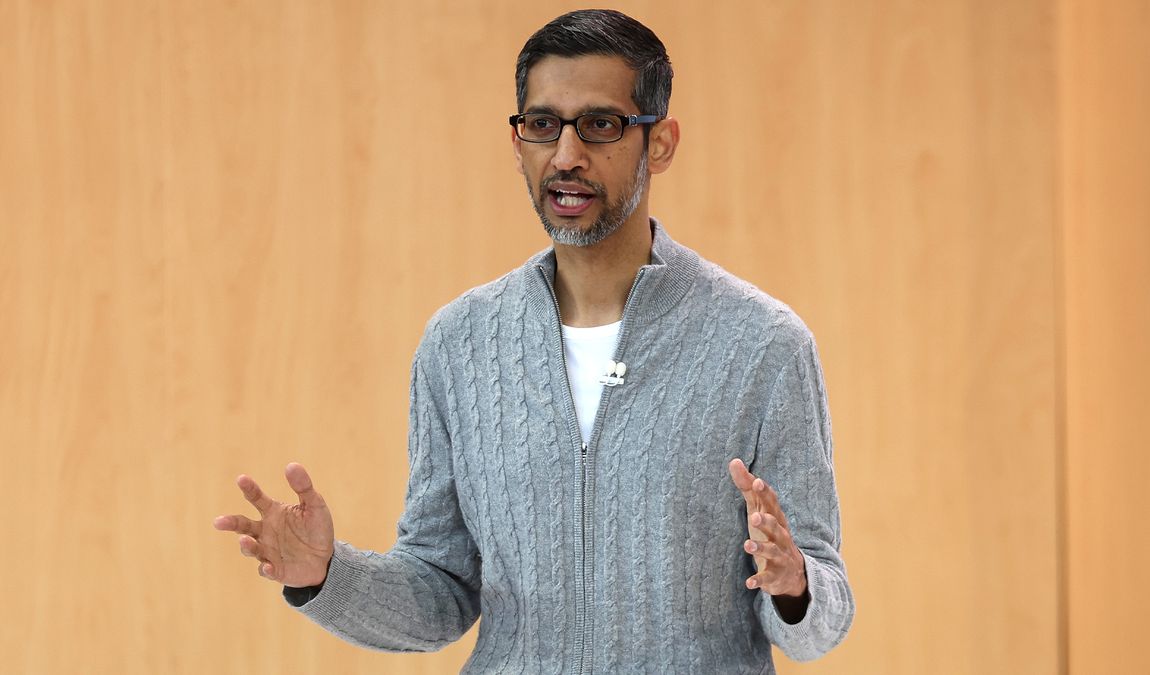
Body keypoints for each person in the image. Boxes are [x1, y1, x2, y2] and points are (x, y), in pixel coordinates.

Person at [214, 9, 854, 673]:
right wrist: (324, 575)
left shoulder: (762, 344)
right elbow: (442, 590)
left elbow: (822, 618)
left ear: (659, 142)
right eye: (543, 125)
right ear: (518, 142)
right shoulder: (458, 343)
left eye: (600, 125)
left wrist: (797, 582)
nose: (567, 156)